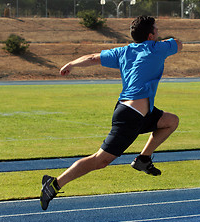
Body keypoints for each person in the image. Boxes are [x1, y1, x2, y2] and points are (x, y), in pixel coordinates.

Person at [40, 16, 183, 211]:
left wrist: (72, 64)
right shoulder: (157, 48)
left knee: (171, 121)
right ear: (151, 35)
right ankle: (54, 184)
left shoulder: (124, 51)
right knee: (100, 160)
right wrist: (165, 42)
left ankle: (143, 159)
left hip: (139, 112)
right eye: (156, 29)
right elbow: (179, 44)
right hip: (130, 115)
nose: (158, 31)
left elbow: (92, 58)